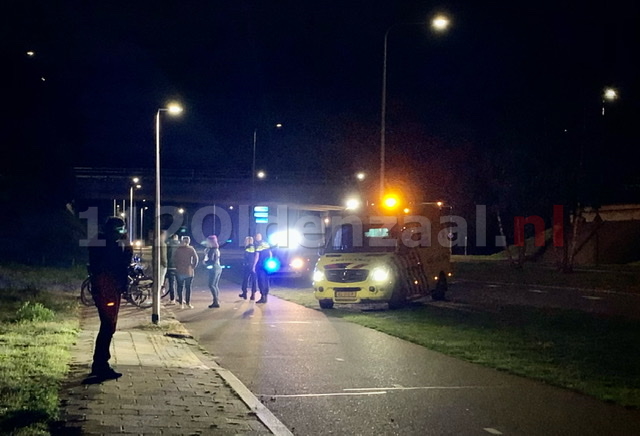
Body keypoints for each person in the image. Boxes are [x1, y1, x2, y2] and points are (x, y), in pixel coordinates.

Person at [88, 216, 133, 379]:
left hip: (104, 286)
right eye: (121, 230)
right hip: (108, 287)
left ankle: (100, 363)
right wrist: (128, 247)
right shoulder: (109, 245)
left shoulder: (99, 241)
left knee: (107, 325)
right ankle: (100, 364)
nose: (123, 233)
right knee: (108, 325)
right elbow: (122, 263)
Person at [174, 236, 198, 309]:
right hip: (189, 271)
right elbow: (196, 259)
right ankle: (188, 303)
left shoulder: (178, 249)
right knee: (188, 288)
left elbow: (174, 259)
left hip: (179, 271)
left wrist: (177, 266)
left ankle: (181, 303)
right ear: (188, 241)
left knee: (180, 287)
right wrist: (193, 266)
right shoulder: (191, 249)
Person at [253, 232, 272, 303]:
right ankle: (265, 296)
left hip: (260, 265)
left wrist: (254, 266)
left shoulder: (258, 245)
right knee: (266, 280)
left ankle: (263, 296)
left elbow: (257, 256)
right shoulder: (266, 244)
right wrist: (269, 261)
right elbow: (270, 253)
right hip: (266, 265)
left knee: (261, 281)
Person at [204, 235, 222, 308]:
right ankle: (216, 300)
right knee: (215, 285)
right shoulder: (216, 249)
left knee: (211, 284)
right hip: (218, 267)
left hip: (214, 268)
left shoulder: (212, 250)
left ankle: (215, 301)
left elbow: (211, 260)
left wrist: (205, 262)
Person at [239, 236, 257, 300]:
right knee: (254, 280)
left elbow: (247, 257)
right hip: (254, 265)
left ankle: (244, 293)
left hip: (248, 265)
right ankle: (253, 294)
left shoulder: (248, 248)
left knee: (245, 279)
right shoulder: (255, 247)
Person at [164, 233, 180, 304]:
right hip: (179, 267)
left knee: (171, 283)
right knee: (180, 283)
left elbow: (166, 256)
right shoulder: (180, 246)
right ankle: (180, 298)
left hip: (170, 266)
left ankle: (172, 299)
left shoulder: (168, 246)